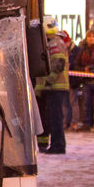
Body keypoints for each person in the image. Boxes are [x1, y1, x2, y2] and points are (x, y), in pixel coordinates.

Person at [35, 17, 69, 155]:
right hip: (51, 88)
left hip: (55, 88)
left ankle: (58, 146)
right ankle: (55, 145)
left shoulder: (55, 43)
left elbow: (58, 64)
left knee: (56, 118)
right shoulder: (51, 42)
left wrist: (48, 81)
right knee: (52, 118)